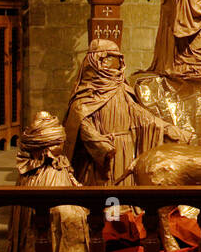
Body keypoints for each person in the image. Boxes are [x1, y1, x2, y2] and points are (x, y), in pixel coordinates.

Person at [65, 40, 189, 186]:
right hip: (103, 156)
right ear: (95, 61)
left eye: (118, 59)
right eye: (110, 59)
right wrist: (99, 143)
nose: (115, 64)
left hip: (126, 148)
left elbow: (141, 116)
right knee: (106, 192)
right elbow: (82, 122)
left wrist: (168, 129)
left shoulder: (122, 90)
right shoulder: (85, 94)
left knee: (125, 189)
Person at [1, 112, 92, 252]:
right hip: (40, 188)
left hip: (57, 184)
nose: (60, 147)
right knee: (36, 229)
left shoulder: (61, 166)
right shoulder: (31, 173)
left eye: (60, 142)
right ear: (45, 147)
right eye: (56, 143)